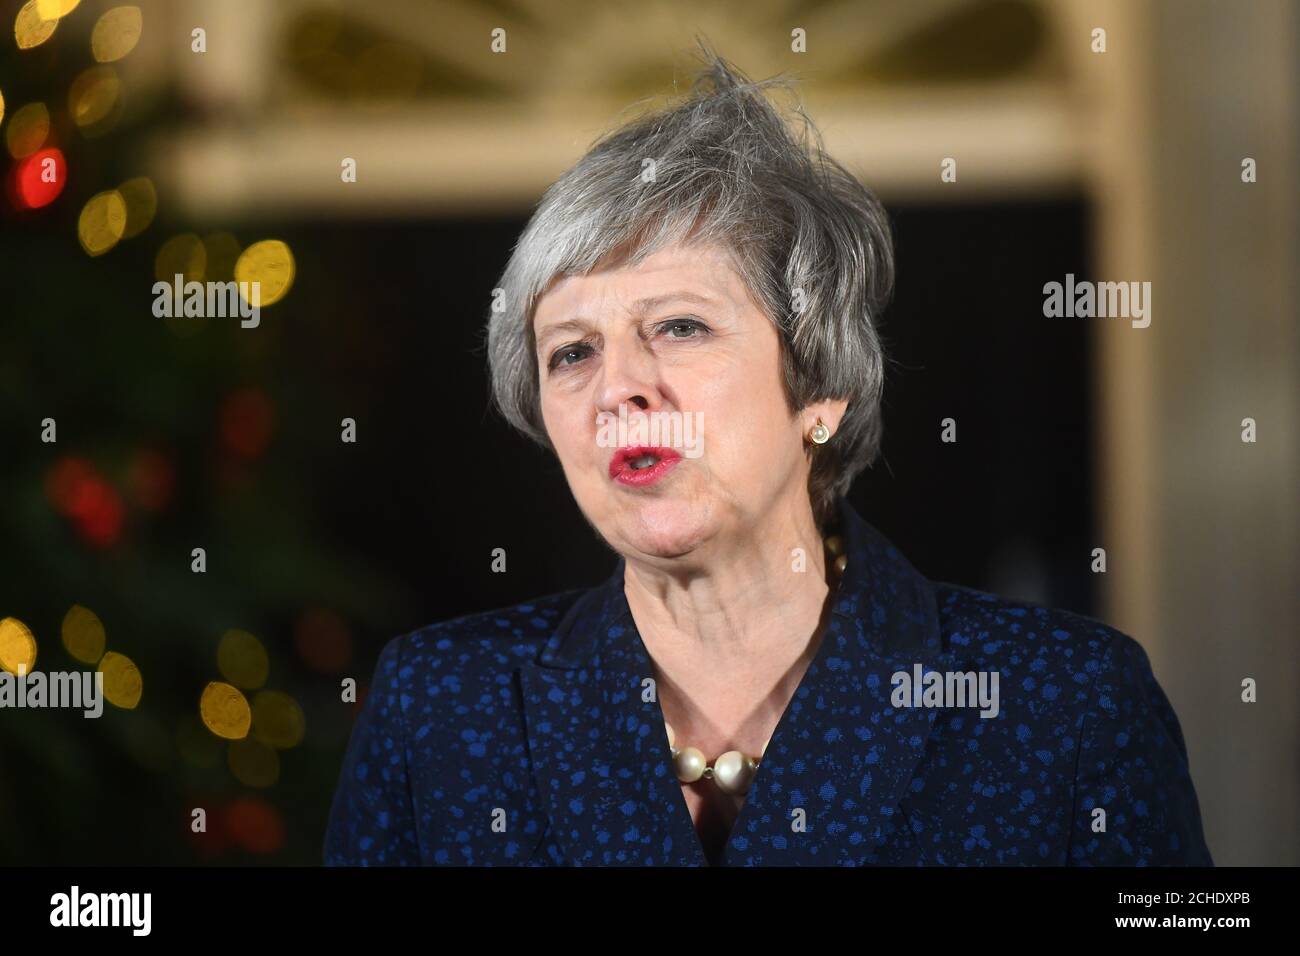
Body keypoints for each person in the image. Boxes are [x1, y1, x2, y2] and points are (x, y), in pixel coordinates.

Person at [324, 46, 1212, 867]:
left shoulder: (1068, 701)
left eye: (679, 326)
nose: (618, 388)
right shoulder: (437, 708)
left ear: (821, 391)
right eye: (572, 352)